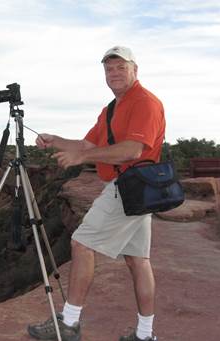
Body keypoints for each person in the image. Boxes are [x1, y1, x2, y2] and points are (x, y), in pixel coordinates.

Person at [27, 46, 164, 341]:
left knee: (81, 244)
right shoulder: (112, 108)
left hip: (130, 187)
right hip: (135, 190)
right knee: (137, 260)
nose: (114, 73)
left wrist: (82, 159)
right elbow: (87, 145)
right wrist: (56, 141)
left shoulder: (145, 102)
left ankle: (70, 322)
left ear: (134, 70)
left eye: (120, 67)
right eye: (108, 69)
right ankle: (144, 335)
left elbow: (132, 150)